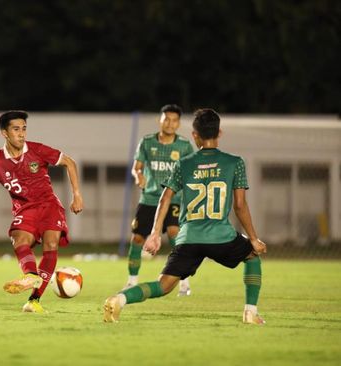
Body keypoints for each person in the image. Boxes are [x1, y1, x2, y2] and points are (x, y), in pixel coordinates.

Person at [103, 108, 268, 325]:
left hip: (189, 237)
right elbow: (240, 205)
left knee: (162, 286)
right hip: (221, 237)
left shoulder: (184, 163)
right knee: (252, 256)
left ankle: (120, 298)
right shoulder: (234, 162)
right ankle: (250, 312)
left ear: (194, 135)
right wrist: (253, 238)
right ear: (220, 133)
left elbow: (164, 199)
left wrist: (154, 233)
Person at [0, 110, 83, 313]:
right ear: (4, 133)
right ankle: (30, 275)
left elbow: (69, 163)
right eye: (16, 129)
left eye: (24, 129)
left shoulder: (37, 150)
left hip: (49, 206)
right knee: (19, 239)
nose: (21, 134)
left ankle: (34, 300)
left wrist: (77, 195)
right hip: (25, 208)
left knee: (51, 243)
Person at [126, 104, 194, 295]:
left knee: (174, 233)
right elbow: (136, 167)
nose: (170, 123)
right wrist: (138, 175)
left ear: (178, 124)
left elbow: (191, 172)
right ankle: (131, 281)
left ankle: (184, 282)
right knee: (137, 238)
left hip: (173, 198)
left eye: (174, 120)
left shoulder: (184, 146)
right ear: (160, 120)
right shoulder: (147, 142)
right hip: (149, 198)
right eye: (167, 119)